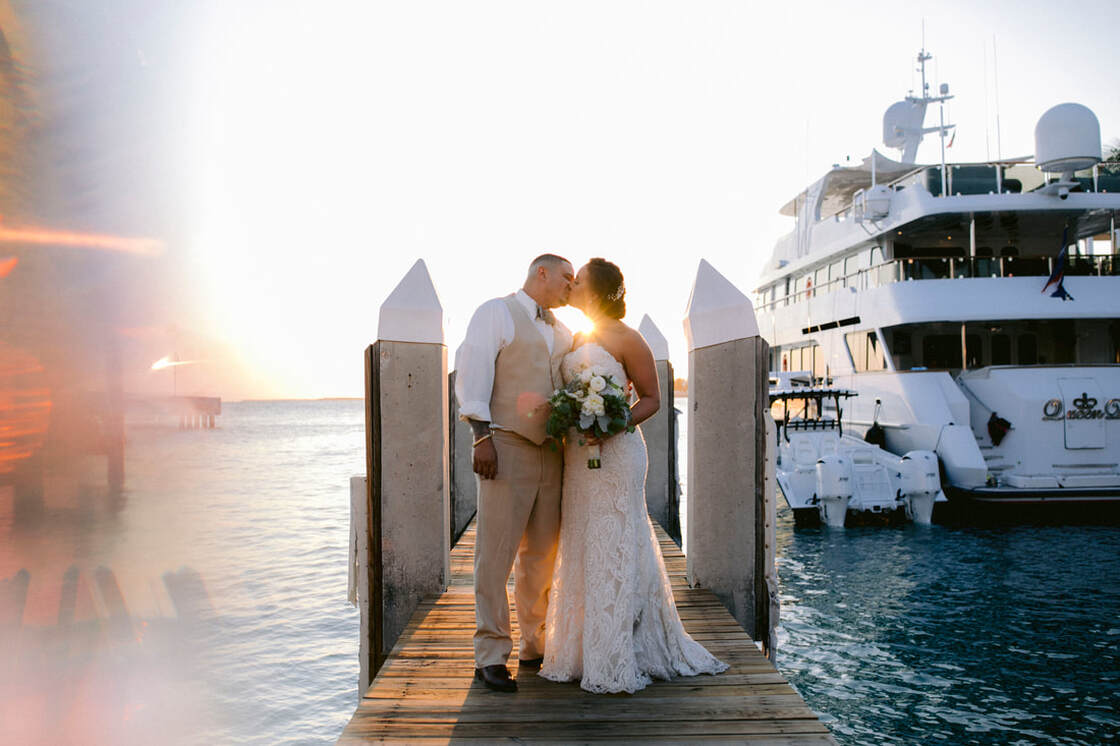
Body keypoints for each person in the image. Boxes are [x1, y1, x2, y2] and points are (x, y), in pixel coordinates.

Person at [539, 258, 728, 694]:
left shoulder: (628, 338)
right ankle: (579, 650)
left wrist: (609, 423)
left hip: (618, 452)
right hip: (577, 458)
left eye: (579, 280)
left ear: (598, 290)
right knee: (583, 540)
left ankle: (618, 648)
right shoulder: (571, 338)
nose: (572, 285)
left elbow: (652, 399)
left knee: (617, 542)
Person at [453, 253, 575, 693]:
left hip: (553, 452)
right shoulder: (496, 312)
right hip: (504, 444)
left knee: (541, 555)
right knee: (495, 556)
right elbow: (473, 373)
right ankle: (489, 655)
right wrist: (480, 438)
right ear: (540, 272)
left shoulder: (563, 332)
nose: (571, 286)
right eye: (566, 277)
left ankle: (534, 645)